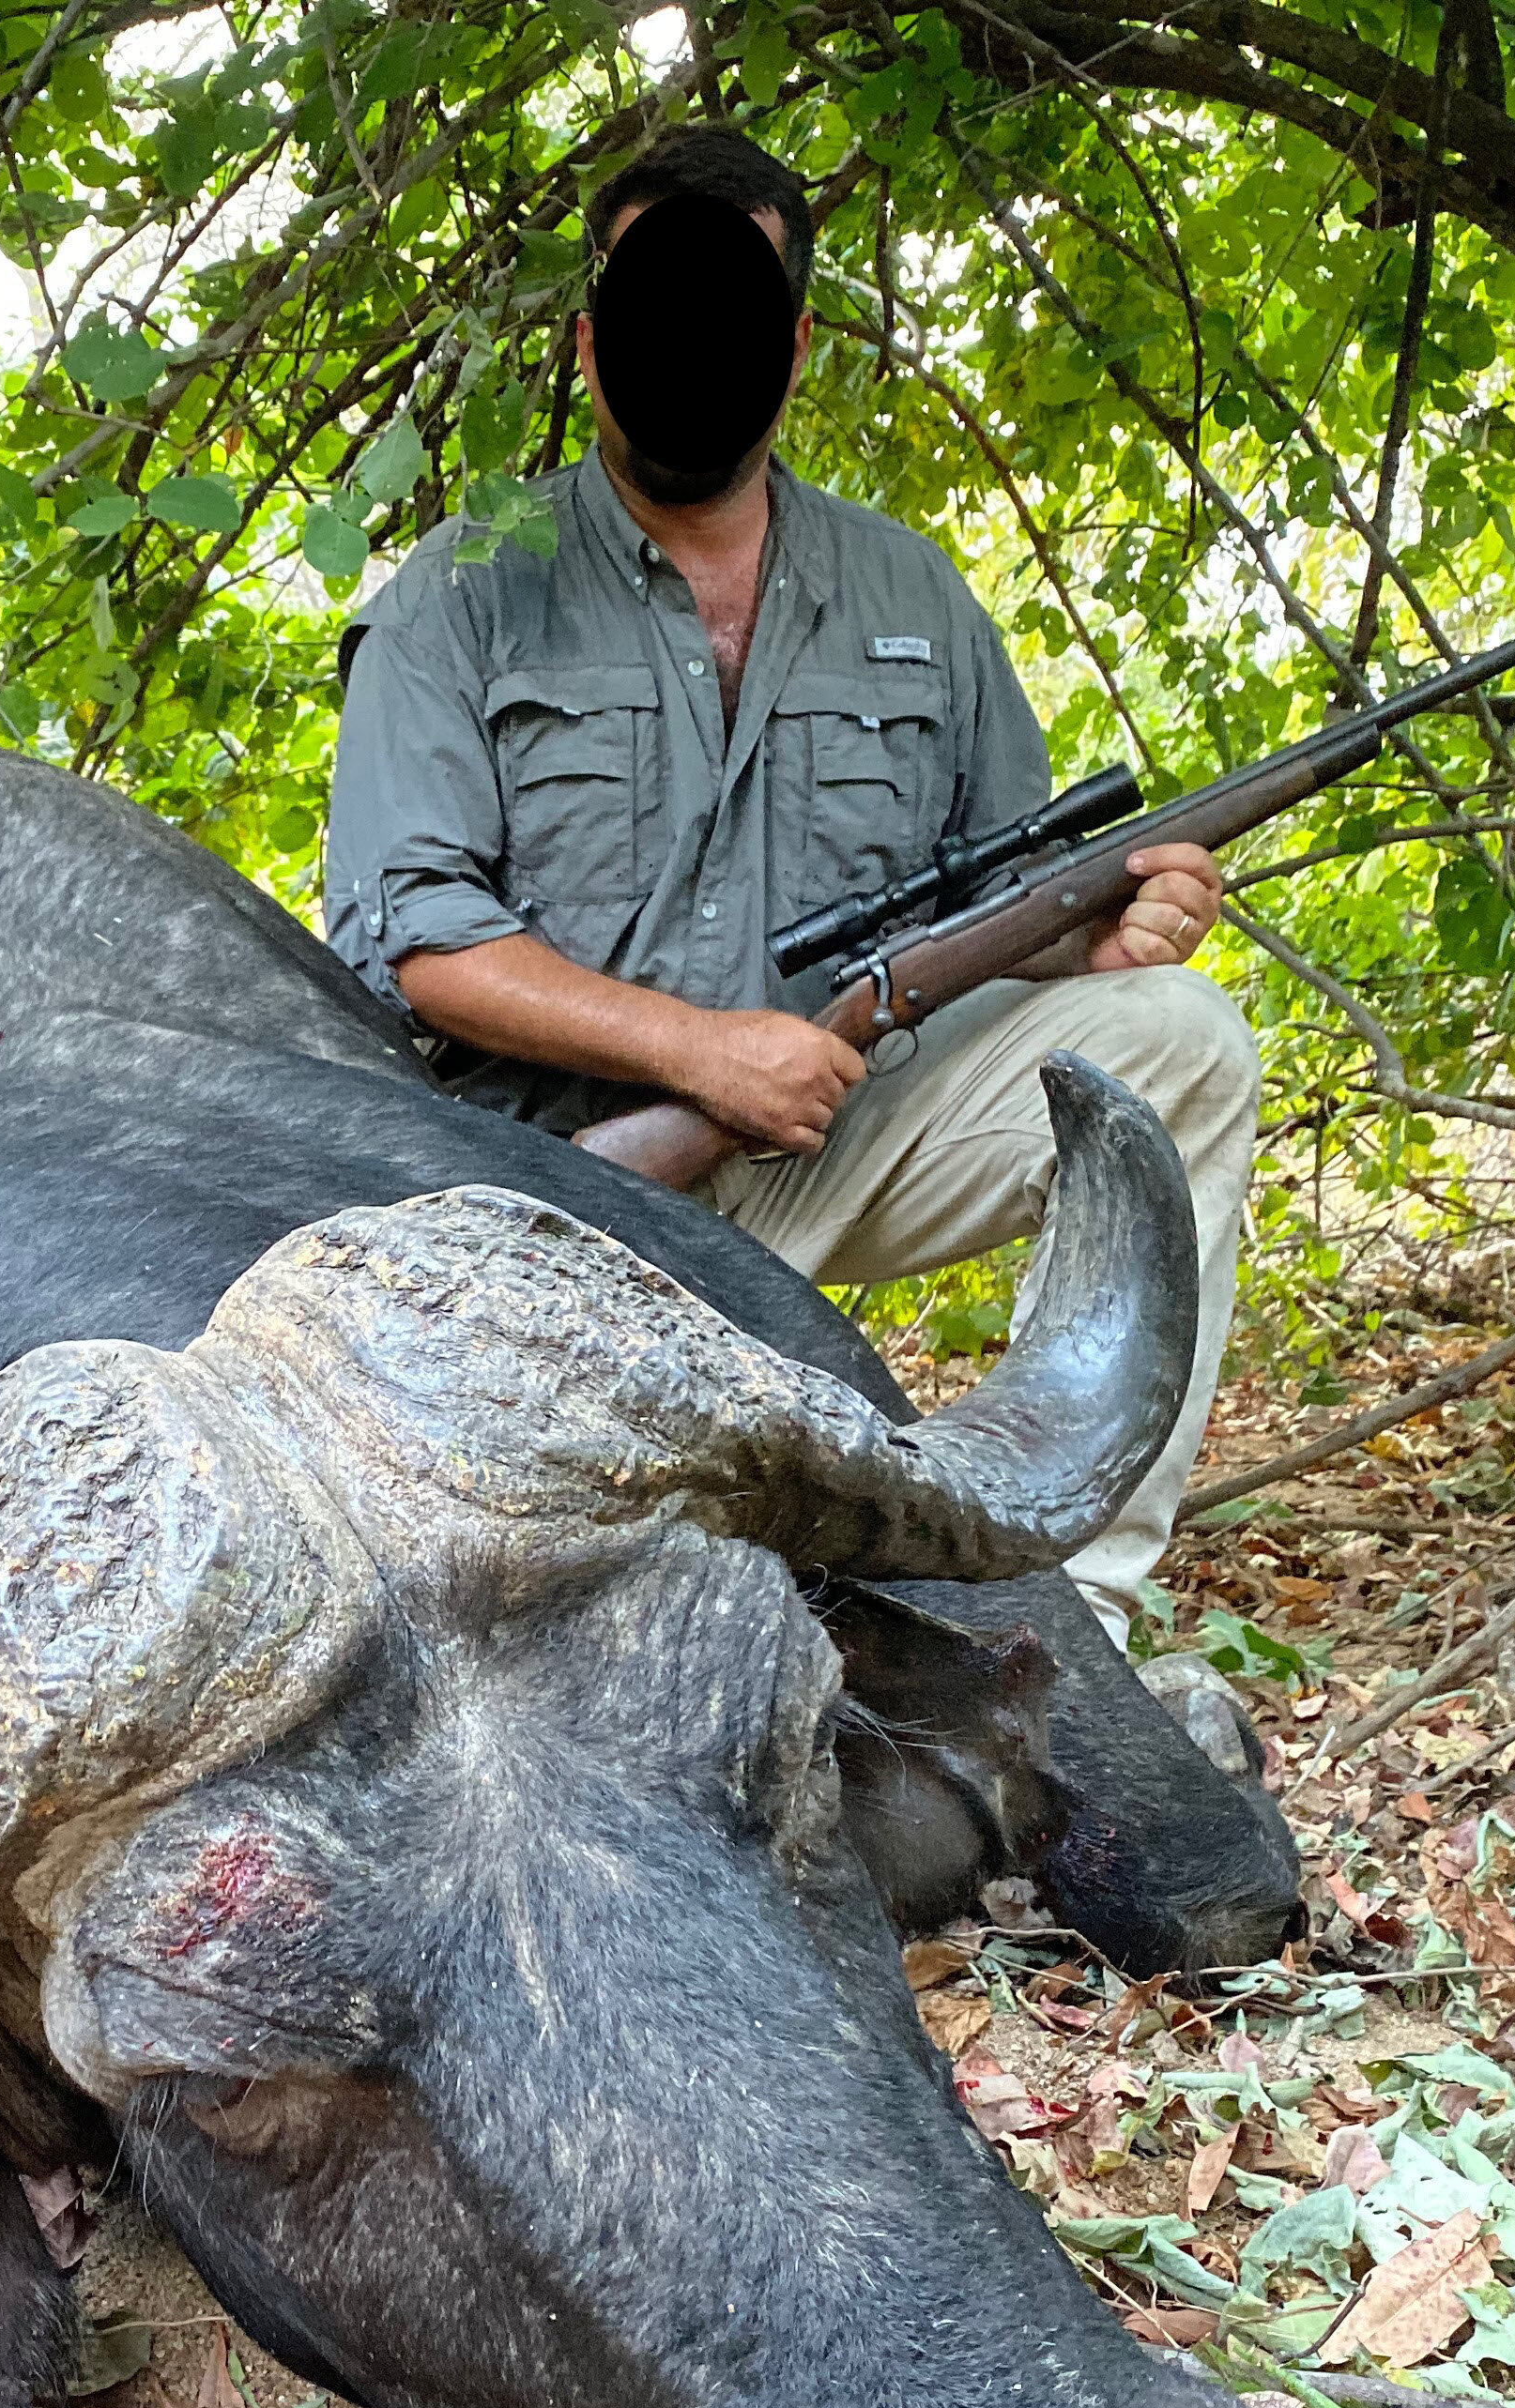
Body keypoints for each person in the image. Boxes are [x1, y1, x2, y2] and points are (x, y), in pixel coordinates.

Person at [321, 124, 1257, 1645]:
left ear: (795, 339)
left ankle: (1083, 1613)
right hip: (555, 1195)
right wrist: (697, 1053)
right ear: (590, 338)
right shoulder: (458, 591)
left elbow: (1012, 900)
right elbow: (416, 943)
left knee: (1177, 1037)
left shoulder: (911, 591)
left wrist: (1100, 937)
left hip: (832, 1134)